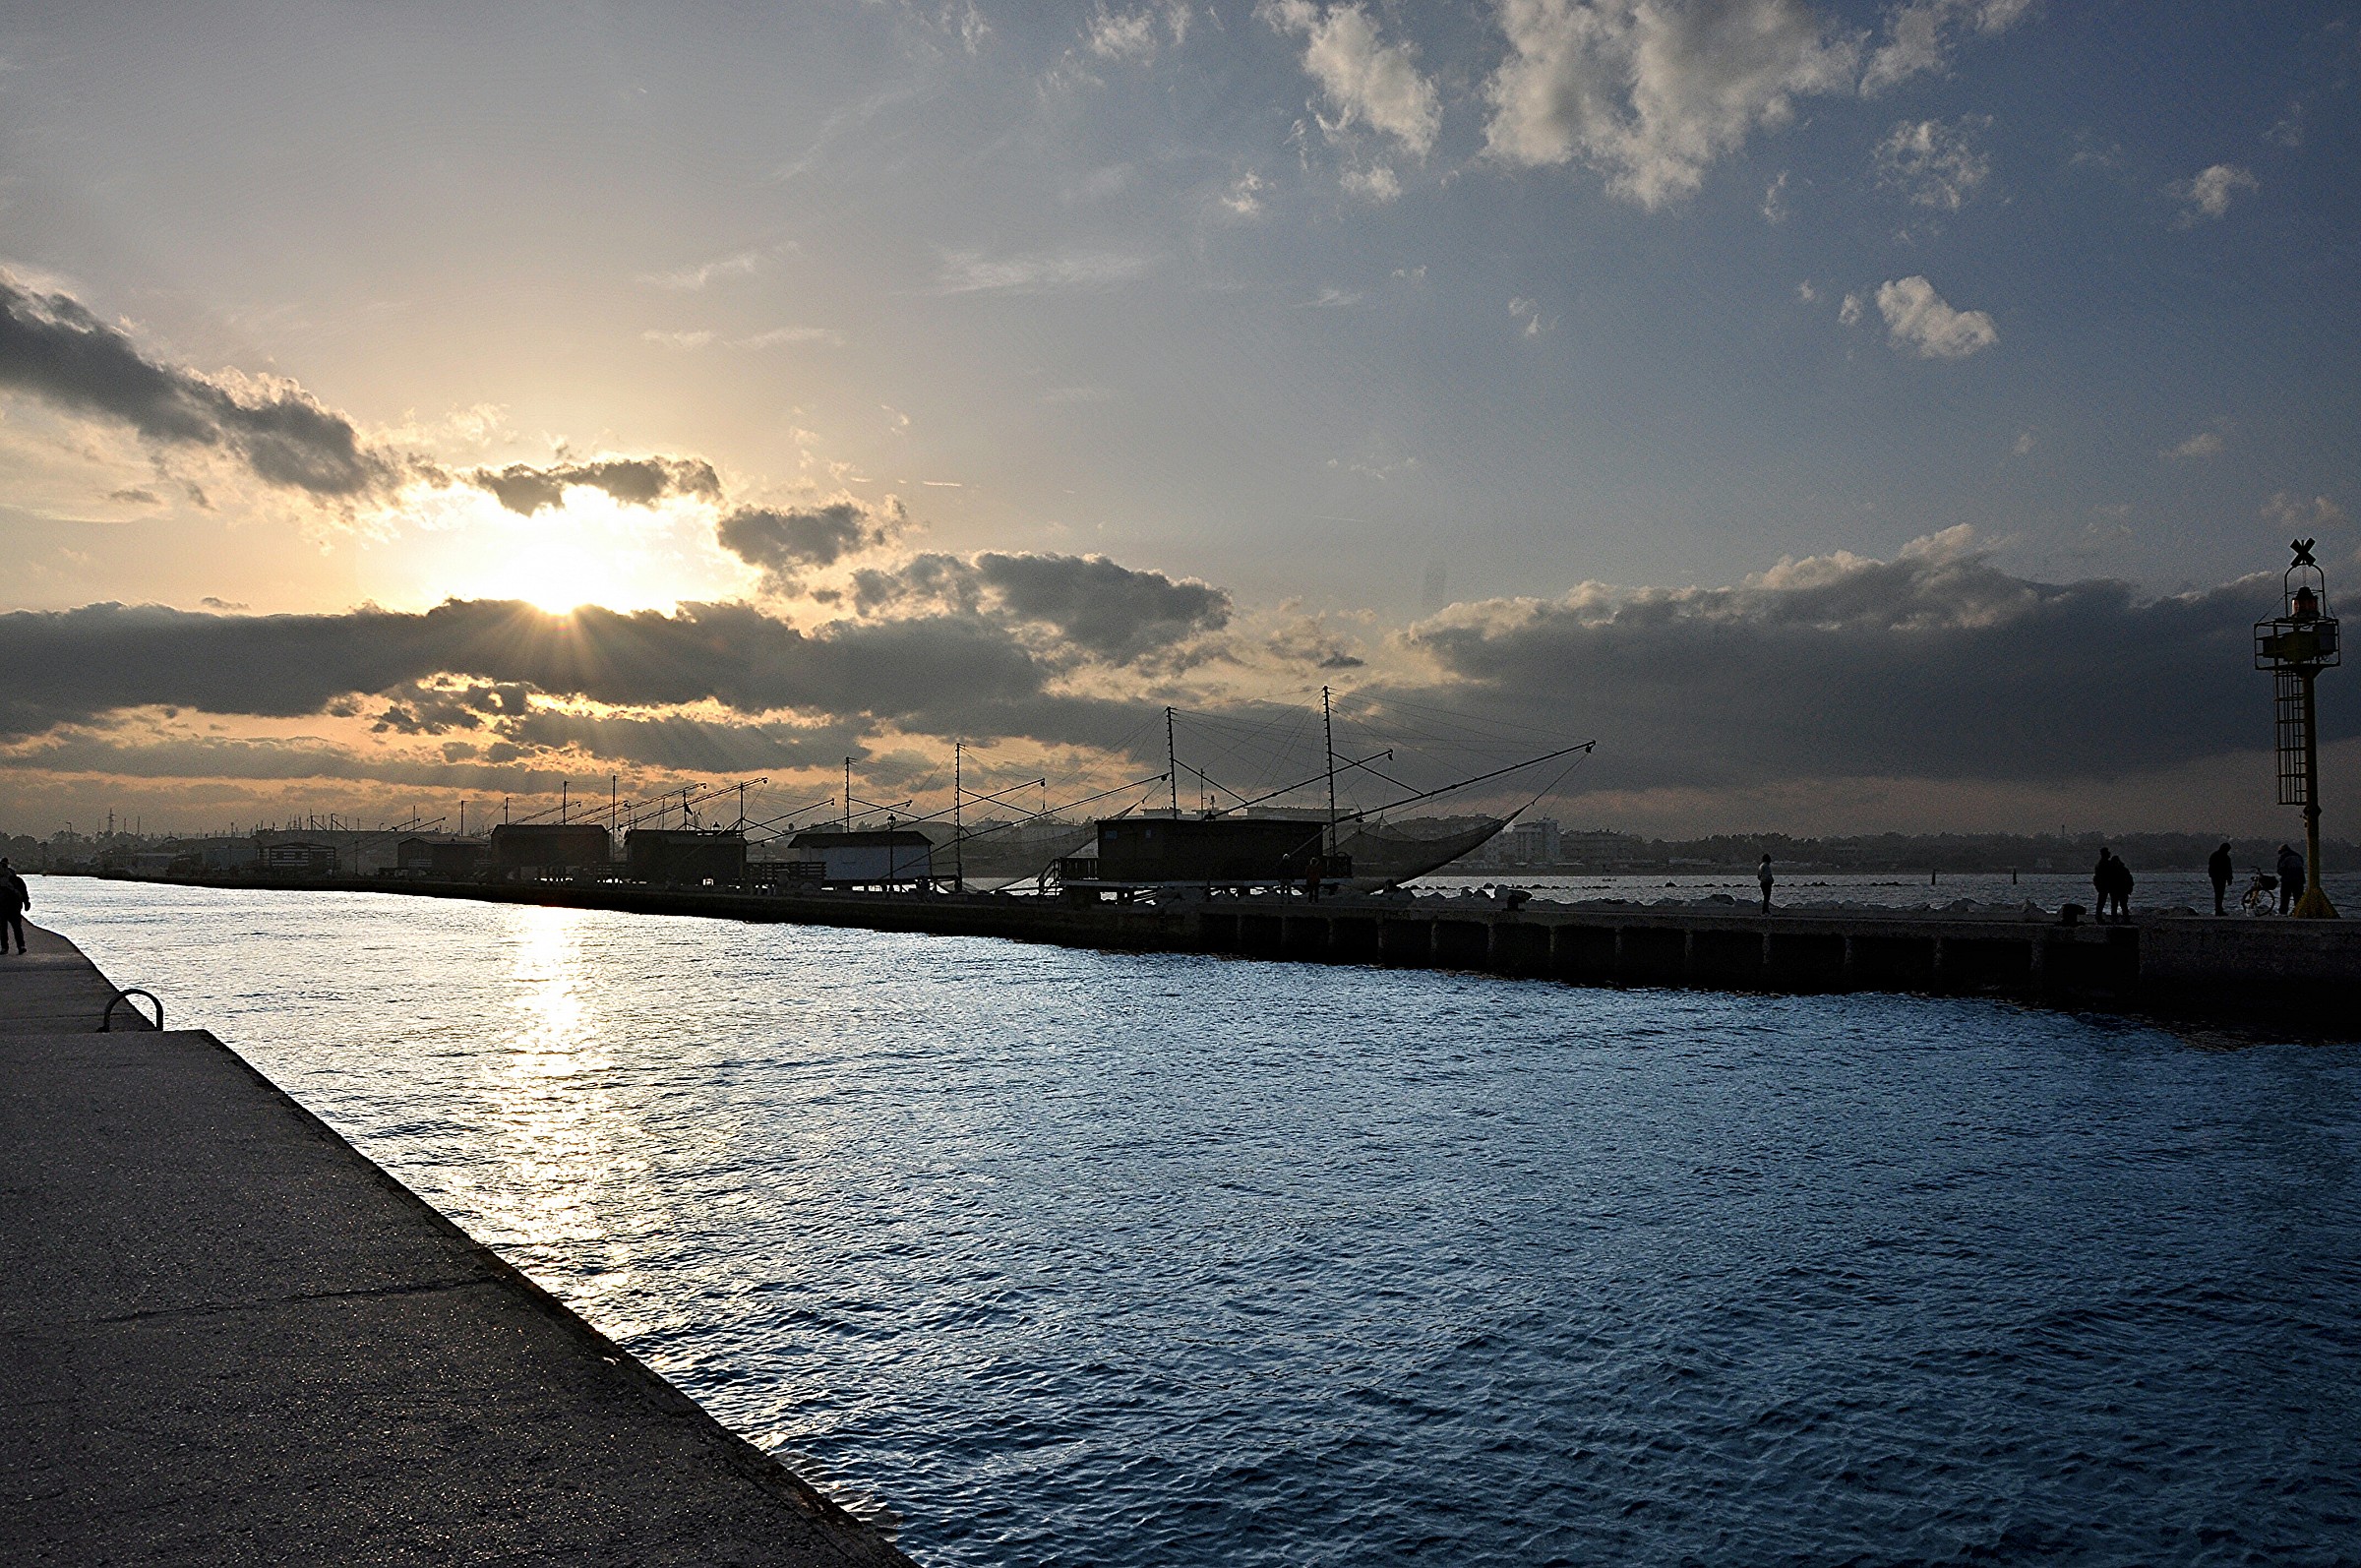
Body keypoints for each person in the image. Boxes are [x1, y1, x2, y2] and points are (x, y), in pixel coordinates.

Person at [0, 858, 27, 955]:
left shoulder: (15, 880)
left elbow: (23, 891)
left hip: (11, 907)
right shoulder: (16, 879)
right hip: (8, 907)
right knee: (11, 928)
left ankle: (12, 947)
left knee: (10, 928)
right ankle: (18, 946)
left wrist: (26, 902)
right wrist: (26, 903)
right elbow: (23, 892)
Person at [2277, 843, 2305, 915]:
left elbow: (2280, 870)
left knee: (2285, 898)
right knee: (2298, 898)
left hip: (2287, 880)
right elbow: (2302, 865)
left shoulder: (2284, 857)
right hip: (2299, 880)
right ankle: (2299, 912)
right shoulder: (2298, 856)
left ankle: (2283, 913)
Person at [2208, 842, 2234, 917]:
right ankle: (2219, 910)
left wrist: (2211, 875)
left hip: (2215, 878)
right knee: (2220, 894)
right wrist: (2229, 879)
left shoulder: (2214, 855)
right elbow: (2228, 869)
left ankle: (2218, 909)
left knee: (2218, 894)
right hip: (2221, 878)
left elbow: (2210, 867)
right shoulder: (2226, 858)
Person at [2091, 849, 2116, 924]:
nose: (2109, 854)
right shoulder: (2104, 864)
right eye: (2108, 853)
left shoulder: (2102, 864)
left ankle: (2100, 916)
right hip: (2106, 885)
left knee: (2102, 902)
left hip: (2105, 885)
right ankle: (2102, 917)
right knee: (2104, 902)